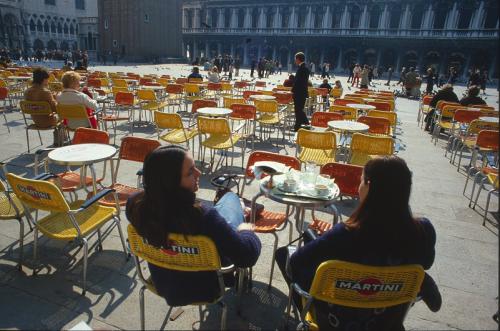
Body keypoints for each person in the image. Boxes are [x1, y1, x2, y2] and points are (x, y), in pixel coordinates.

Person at [275, 156, 440, 330]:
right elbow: (426, 262)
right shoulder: (423, 231)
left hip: (337, 321)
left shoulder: (345, 234)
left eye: (361, 181)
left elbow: (294, 264)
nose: (358, 187)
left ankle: (309, 315)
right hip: (387, 320)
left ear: (369, 185)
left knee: (284, 255)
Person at [126, 145, 261, 305]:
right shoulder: (202, 216)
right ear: (171, 182)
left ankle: (232, 204)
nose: (199, 173)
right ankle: (238, 205)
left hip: (163, 283)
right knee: (231, 202)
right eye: (190, 172)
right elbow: (247, 256)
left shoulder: (135, 205)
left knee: (225, 208)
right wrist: (247, 231)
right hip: (206, 289)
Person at [291, 52, 310, 131]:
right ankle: (306, 123)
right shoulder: (303, 67)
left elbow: (298, 82)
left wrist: (292, 91)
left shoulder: (302, 68)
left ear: (298, 59)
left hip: (299, 93)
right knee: (299, 110)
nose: (295, 61)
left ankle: (297, 127)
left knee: (298, 110)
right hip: (301, 93)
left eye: (295, 59)